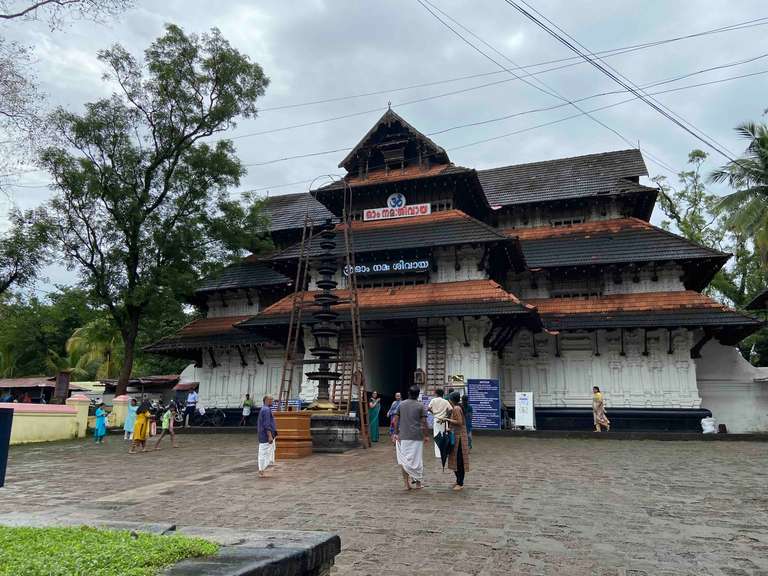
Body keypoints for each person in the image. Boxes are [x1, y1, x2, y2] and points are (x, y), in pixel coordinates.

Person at [393, 385, 430, 491]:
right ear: (418, 394)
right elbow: (424, 422)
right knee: (417, 460)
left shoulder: (401, 404)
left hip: (404, 436)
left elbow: (395, 420)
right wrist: (426, 435)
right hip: (417, 436)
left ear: (408, 393)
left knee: (404, 460)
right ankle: (418, 483)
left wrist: (395, 433)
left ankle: (406, 484)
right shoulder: (421, 406)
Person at [441, 391, 470, 491]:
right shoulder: (457, 407)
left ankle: (460, 482)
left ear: (451, 400)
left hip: (460, 439)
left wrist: (447, 420)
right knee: (456, 460)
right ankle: (458, 481)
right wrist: (450, 427)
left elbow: (459, 422)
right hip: (457, 436)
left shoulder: (456, 408)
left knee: (459, 461)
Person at [257, 395, 277, 478]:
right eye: (271, 400)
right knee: (263, 452)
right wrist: (269, 436)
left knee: (267, 451)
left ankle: (262, 468)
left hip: (264, 434)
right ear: (267, 400)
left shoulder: (265, 409)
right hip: (265, 435)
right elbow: (267, 424)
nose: (272, 401)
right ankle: (261, 470)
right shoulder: (266, 410)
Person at [427, 388, 452, 458]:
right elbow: (451, 410)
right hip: (444, 420)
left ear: (436, 394)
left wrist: (434, 414)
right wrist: (447, 416)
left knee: (436, 436)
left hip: (436, 419)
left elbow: (428, 408)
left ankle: (438, 454)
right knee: (444, 436)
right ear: (443, 394)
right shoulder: (445, 401)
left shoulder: (433, 400)